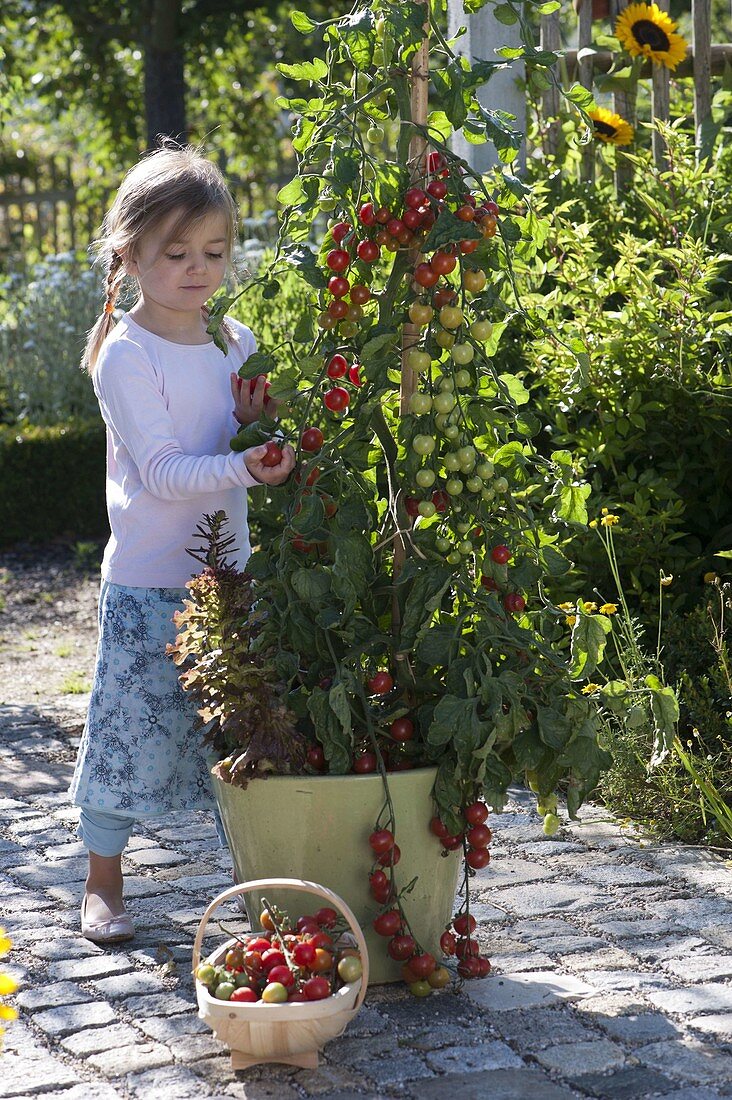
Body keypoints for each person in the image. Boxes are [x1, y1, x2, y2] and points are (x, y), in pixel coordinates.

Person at [69, 144, 295, 944]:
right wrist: (243, 462)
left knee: (239, 736)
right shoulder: (124, 353)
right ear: (128, 254)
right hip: (148, 579)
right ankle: (103, 883)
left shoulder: (234, 338)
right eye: (176, 253)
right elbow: (164, 471)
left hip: (226, 573)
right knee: (127, 731)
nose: (198, 269)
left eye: (214, 252)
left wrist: (257, 429)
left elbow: (227, 435)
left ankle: (257, 881)